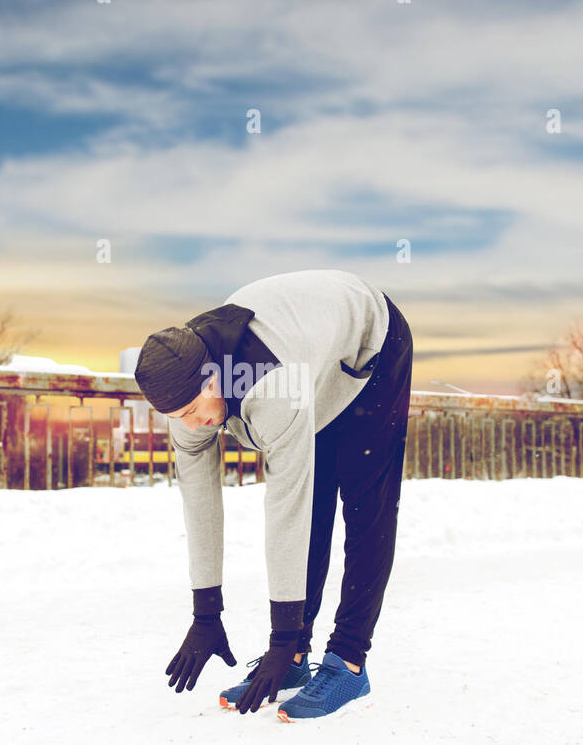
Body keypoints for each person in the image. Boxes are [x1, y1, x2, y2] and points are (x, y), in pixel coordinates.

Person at [134, 269, 413, 721]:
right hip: (311, 353)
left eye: (191, 411)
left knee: (365, 507)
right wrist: (206, 613)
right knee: (315, 506)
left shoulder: (272, 389)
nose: (189, 424)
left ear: (213, 380)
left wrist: (278, 637)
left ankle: (349, 661)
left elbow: (287, 510)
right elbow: (200, 505)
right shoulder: (179, 395)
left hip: (370, 343)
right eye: (175, 416)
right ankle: (296, 662)